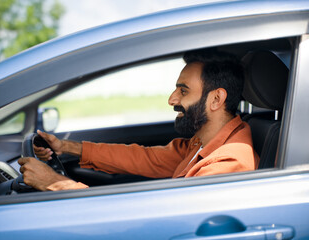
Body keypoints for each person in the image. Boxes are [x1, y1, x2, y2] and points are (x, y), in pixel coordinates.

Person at [18, 49, 260, 191]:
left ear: (216, 99)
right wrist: (68, 148)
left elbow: (161, 223)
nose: (171, 99)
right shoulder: (203, 144)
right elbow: (145, 158)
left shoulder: (229, 163)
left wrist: (55, 183)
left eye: (183, 91)